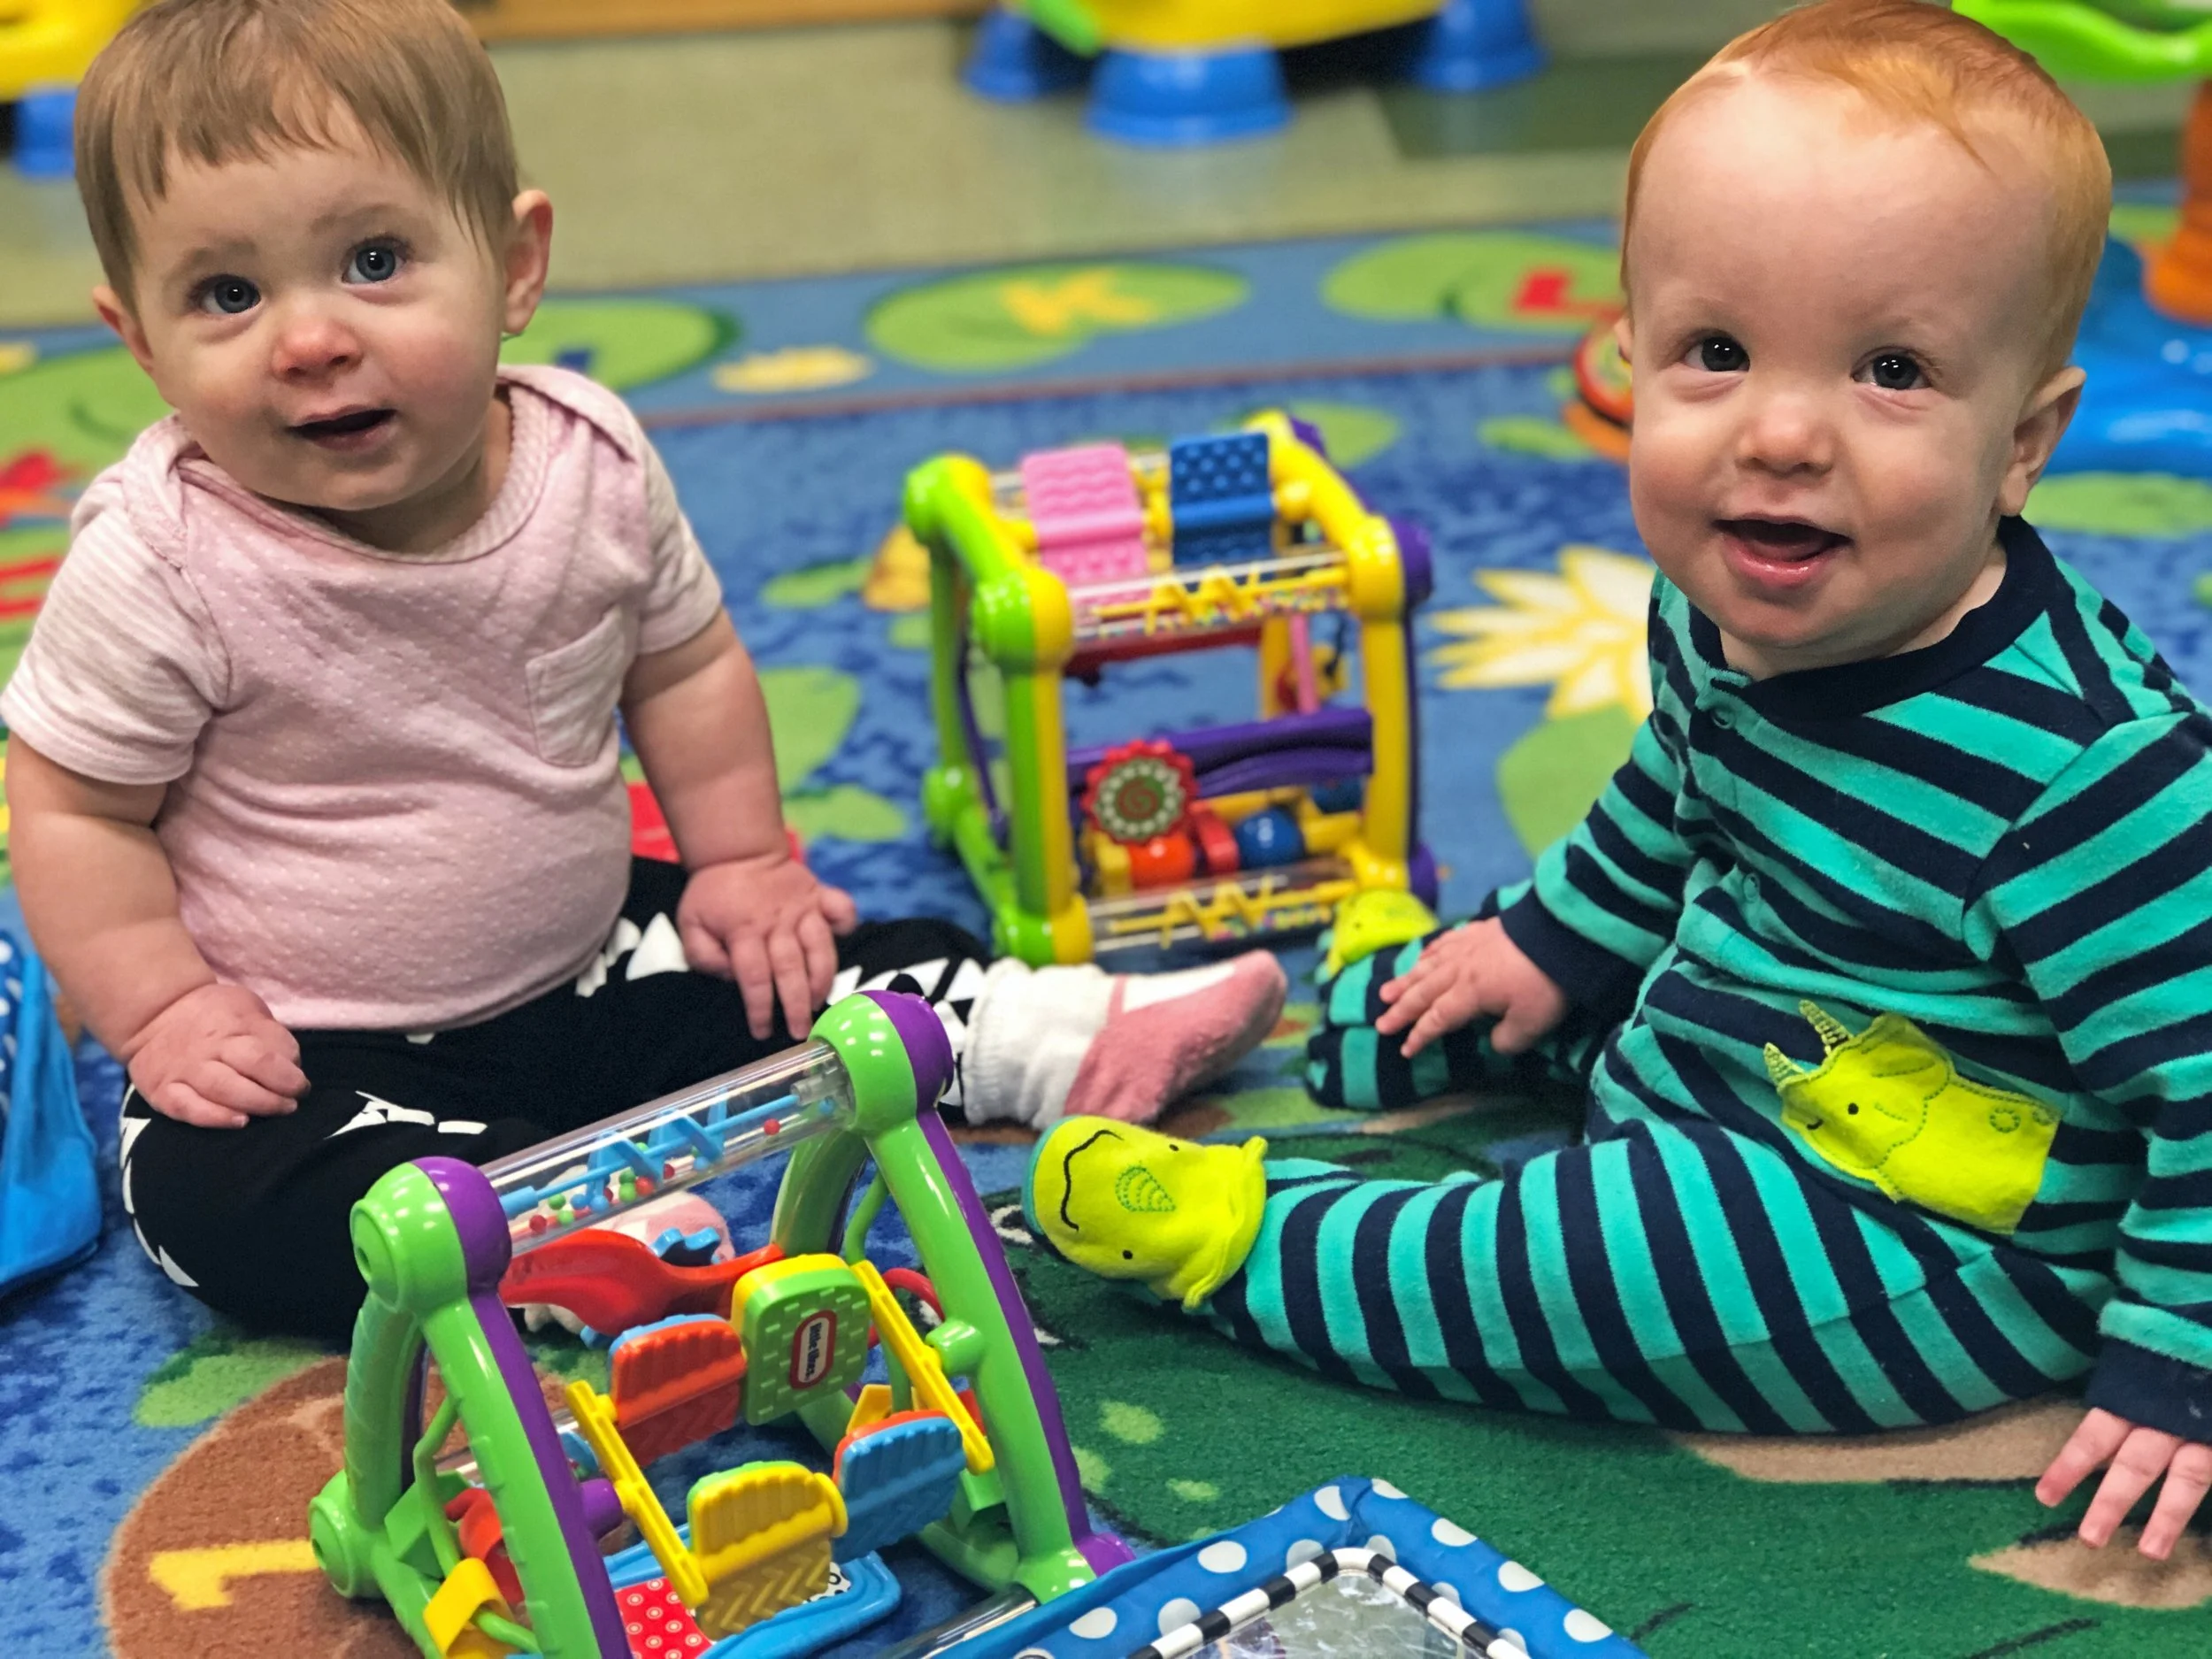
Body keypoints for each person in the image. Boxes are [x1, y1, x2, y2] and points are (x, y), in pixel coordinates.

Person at [1025, 0, 2212, 1563]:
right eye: (1717, 354)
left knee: (1602, 1260)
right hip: (1752, 1020)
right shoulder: (1739, 596)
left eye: (1893, 371)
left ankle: (1254, 1239)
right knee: (1489, 986)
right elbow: (1679, 789)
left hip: (1929, 1231)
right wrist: (1551, 943)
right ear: (1628, 355)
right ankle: (1417, 1015)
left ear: (2024, 440)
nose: (1781, 435)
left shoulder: (2089, 778)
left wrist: (2179, 1362)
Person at [2, 0, 1286, 1344]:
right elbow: (75, 805)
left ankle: (1052, 1033)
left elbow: (683, 665)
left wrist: (739, 858)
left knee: (801, 962)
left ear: (513, 262)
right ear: (139, 338)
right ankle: (544, 1230)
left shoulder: (588, 467)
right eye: (227, 294)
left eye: (374, 259)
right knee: (221, 1194)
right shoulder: (163, 562)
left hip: (590, 949)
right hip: (306, 1041)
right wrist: (163, 1007)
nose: (308, 338)